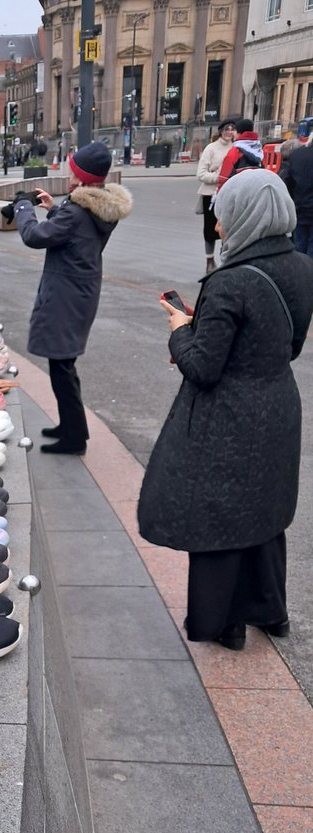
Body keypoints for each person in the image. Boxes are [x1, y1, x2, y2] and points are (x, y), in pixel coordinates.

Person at [137, 170, 313, 650]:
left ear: (246, 217)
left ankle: (223, 624)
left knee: (219, 515)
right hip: (278, 404)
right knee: (265, 512)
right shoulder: (301, 265)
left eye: (224, 218)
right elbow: (288, 344)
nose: (218, 228)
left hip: (231, 416)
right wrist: (208, 325)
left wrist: (180, 327)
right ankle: (269, 611)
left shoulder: (230, 281)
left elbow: (201, 367)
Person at [4, 141, 132, 455]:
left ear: (82, 178)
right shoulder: (97, 207)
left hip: (65, 296)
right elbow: (78, 228)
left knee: (62, 368)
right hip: (80, 293)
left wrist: (23, 207)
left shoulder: (75, 212)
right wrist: (54, 208)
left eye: (72, 171)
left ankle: (74, 438)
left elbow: (34, 236)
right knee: (64, 365)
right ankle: (71, 427)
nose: (68, 176)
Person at [196, 117, 236, 273]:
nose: (229, 132)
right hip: (211, 194)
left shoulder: (236, 148)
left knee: (228, 228)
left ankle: (225, 258)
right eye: (226, 129)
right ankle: (210, 260)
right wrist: (217, 178)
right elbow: (200, 173)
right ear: (221, 131)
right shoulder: (211, 148)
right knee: (210, 230)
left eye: (232, 129)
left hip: (230, 193)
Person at [279, 139, 313, 256]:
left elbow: (289, 181)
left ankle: (300, 271)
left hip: (299, 208)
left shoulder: (298, 154)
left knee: (299, 246)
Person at [216, 118, 263, 190]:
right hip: (256, 190)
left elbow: (224, 177)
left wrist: (218, 194)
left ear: (239, 133)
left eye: (235, 130)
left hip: (237, 191)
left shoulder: (236, 151)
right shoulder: (260, 149)